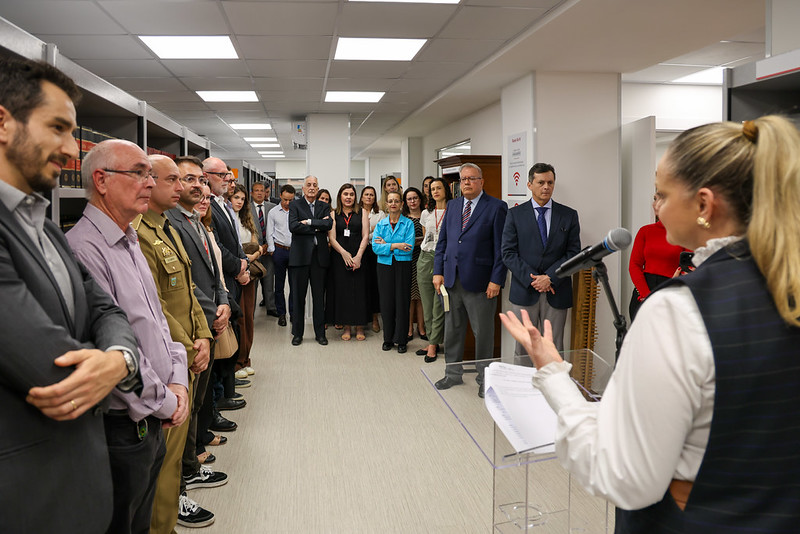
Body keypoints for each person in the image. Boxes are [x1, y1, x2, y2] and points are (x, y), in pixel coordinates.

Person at [501, 116, 800, 532]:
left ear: (703, 205)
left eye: (662, 194)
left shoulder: (679, 311)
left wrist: (553, 375)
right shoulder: (783, 283)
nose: (656, 206)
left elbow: (625, 477)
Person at [0, 56, 140, 534]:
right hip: (26, 501)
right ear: (3, 123)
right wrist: (121, 361)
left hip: (77, 486)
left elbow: (106, 308)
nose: (70, 150)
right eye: (57, 128)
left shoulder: (44, 225)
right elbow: (52, 369)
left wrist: (119, 358)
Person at [66, 140, 190, 534]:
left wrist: (178, 380)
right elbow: (113, 349)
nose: (150, 183)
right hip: (123, 425)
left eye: (150, 175)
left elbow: (157, 323)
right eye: (139, 173)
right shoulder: (84, 250)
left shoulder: (129, 239)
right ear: (101, 181)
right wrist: (167, 400)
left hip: (154, 412)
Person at [135, 155, 219, 534]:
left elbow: (188, 287)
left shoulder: (166, 227)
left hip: (187, 353)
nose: (182, 187)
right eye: (174, 180)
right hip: (170, 360)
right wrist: (190, 346)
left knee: (172, 459)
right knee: (164, 458)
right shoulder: (141, 232)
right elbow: (154, 305)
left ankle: (167, 519)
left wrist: (203, 335)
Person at [166, 156, 233, 527]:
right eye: (184, 179)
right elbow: (182, 286)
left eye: (197, 179)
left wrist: (223, 302)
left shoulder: (192, 220)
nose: (194, 186)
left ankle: (189, 467)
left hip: (206, 324)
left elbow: (210, 273)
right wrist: (211, 316)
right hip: (189, 331)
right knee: (184, 411)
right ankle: (180, 482)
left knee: (195, 406)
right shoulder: (169, 222)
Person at [433, 163, 507, 398]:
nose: (466, 182)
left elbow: (501, 249)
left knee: (483, 333)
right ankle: (452, 374)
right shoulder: (453, 205)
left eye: (471, 178)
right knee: (452, 331)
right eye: (463, 179)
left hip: (481, 283)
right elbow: (443, 241)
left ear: (481, 181)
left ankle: (484, 378)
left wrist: (496, 280)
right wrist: (437, 271)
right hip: (451, 280)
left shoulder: (496, 207)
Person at [501, 162, 581, 357]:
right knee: (524, 348)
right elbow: (508, 253)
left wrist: (550, 277)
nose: (546, 187)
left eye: (550, 183)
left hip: (557, 290)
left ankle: (552, 379)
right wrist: (533, 279)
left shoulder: (569, 215)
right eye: (541, 182)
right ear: (530, 185)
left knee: (553, 347)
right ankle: (524, 379)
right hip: (524, 290)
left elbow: (573, 253)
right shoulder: (514, 215)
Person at [203, 157, 249, 405]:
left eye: (228, 176)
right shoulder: (207, 205)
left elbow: (235, 241)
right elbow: (217, 246)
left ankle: (227, 384)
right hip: (224, 277)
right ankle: (221, 394)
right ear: (207, 176)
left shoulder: (223, 204)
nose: (227, 180)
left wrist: (243, 263)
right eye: (222, 175)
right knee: (222, 335)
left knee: (232, 330)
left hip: (233, 276)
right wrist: (238, 266)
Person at [628, 192, 690, 320]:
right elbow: (634, 265)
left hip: (670, 293)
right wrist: (646, 295)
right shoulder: (645, 231)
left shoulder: (684, 234)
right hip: (643, 292)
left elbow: (688, 268)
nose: (654, 204)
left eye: (659, 199)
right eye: (654, 199)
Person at [288, 175, 333, 346]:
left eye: (315, 184)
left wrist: (308, 222)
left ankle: (320, 334)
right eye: (309, 184)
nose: (312, 187)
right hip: (299, 257)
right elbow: (293, 226)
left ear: (318, 188)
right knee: (298, 297)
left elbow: (328, 225)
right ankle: (297, 334)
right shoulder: (295, 204)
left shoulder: (324, 205)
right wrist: (317, 225)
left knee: (319, 298)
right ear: (303, 188)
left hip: (319, 258)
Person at [372, 191, 415, 353]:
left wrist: (387, 245)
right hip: (384, 266)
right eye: (390, 201)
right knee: (386, 301)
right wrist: (397, 245)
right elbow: (376, 248)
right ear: (386, 205)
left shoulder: (408, 224)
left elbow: (409, 248)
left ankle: (401, 340)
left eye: (396, 201)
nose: (393, 204)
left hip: (403, 265)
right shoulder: (381, 224)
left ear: (402, 204)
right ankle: (388, 339)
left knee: (402, 301)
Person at [327, 183, 370, 341]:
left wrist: (358, 256)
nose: (348, 197)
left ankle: (359, 327)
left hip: (359, 256)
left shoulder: (362, 212)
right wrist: (344, 253)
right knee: (343, 292)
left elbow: (366, 235)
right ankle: (346, 327)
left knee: (359, 291)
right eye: (345, 194)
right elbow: (332, 237)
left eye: (351, 194)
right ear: (340, 196)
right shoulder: (333, 214)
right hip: (339, 256)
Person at [417, 177, 452, 362]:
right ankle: (432, 339)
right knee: (427, 303)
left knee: (439, 304)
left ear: (446, 189)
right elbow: (426, 238)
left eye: (439, 188)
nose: (435, 191)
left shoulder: (453, 211)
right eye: (432, 189)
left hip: (443, 260)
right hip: (425, 258)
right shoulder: (426, 213)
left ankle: (433, 344)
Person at [231, 183, 263, 377]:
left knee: (248, 317)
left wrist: (253, 255)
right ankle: (236, 363)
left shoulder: (246, 219)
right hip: (235, 273)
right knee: (239, 318)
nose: (240, 202)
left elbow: (256, 245)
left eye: (242, 199)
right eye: (236, 198)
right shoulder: (227, 218)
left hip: (249, 272)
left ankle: (245, 359)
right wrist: (246, 258)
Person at [266, 184, 295, 327]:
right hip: (279, 251)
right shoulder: (273, 212)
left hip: (294, 251)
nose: (287, 203)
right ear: (280, 196)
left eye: (290, 200)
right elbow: (269, 232)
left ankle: (293, 314)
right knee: (279, 285)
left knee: (294, 285)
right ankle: (281, 313)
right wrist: (272, 249)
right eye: (285, 200)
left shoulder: (296, 211)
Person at [402, 187, 426, 341]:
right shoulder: (403, 218)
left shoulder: (427, 215)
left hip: (424, 258)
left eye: (415, 198)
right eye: (409, 199)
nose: (412, 201)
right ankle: (409, 328)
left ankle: (421, 328)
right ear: (405, 202)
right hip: (407, 259)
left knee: (422, 296)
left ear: (420, 199)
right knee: (410, 296)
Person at [360, 185, 385, 333]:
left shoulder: (380, 214)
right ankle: (362, 318)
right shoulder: (357, 212)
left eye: (371, 195)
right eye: (366, 194)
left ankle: (375, 318)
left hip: (375, 251)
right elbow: (358, 232)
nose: (369, 197)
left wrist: (366, 233)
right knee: (361, 284)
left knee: (374, 285)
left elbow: (380, 233)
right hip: (360, 251)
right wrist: (370, 230)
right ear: (362, 197)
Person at [251, 181, 278, 318]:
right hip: (253, 251)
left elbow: (276, 227)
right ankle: (251, 310)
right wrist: (258, 247)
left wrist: (269, 244)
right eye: (256, 190)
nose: (259, 193)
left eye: (262, 190)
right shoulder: (246, 208)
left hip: (268, 250)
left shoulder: (272, 207)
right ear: (252, 193)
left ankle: (271, 307)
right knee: (253, 283)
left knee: (269, 280)